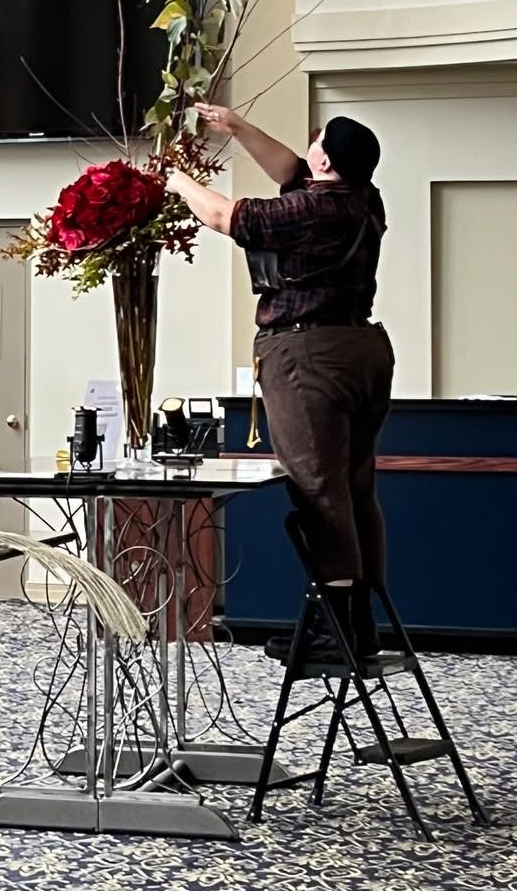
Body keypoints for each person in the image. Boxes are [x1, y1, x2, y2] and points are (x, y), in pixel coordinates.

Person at [166, 104, 395, 667]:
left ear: (326, 161)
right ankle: (359, 621)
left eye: (318, 141)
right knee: (354, 486)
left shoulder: (311, 211)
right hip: (362, 349)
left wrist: (177, 181)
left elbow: (224, 216)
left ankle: (334, 630)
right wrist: (237, 126)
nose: (309, 146)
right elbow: (292, 168)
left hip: (308, 356)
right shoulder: (364, 199)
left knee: (318, 489)